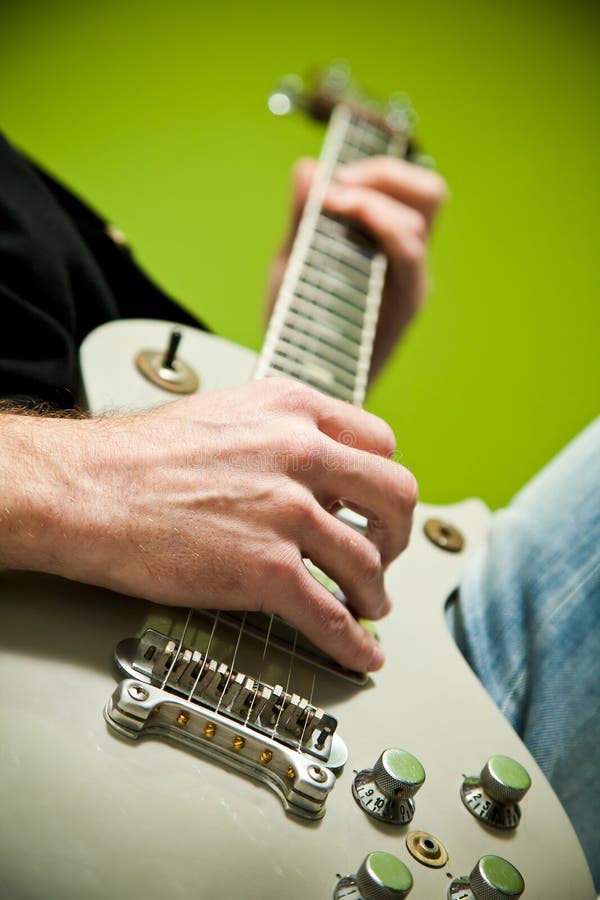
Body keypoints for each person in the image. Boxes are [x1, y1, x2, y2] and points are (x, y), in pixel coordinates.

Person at [0, 132, 597, 886]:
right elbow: (118, 469)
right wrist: (88, 480)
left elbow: (202, 500)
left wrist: (315, 434)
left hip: (398, 730)